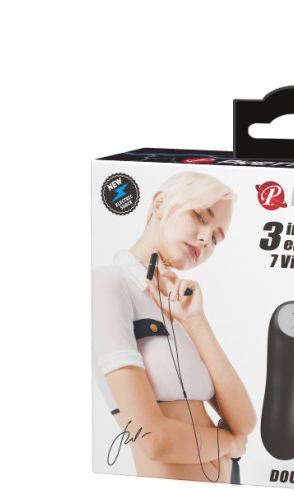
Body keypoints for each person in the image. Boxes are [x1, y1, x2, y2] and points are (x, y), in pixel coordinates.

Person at [92, 171, 256, 482]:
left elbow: (244, 422)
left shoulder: (178, 306)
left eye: (216, 238)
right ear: (159, 204)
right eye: (200, 216)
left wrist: (196, 322)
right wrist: (231, 444)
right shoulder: (108, 283)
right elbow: (154, 440)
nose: (206, 239)